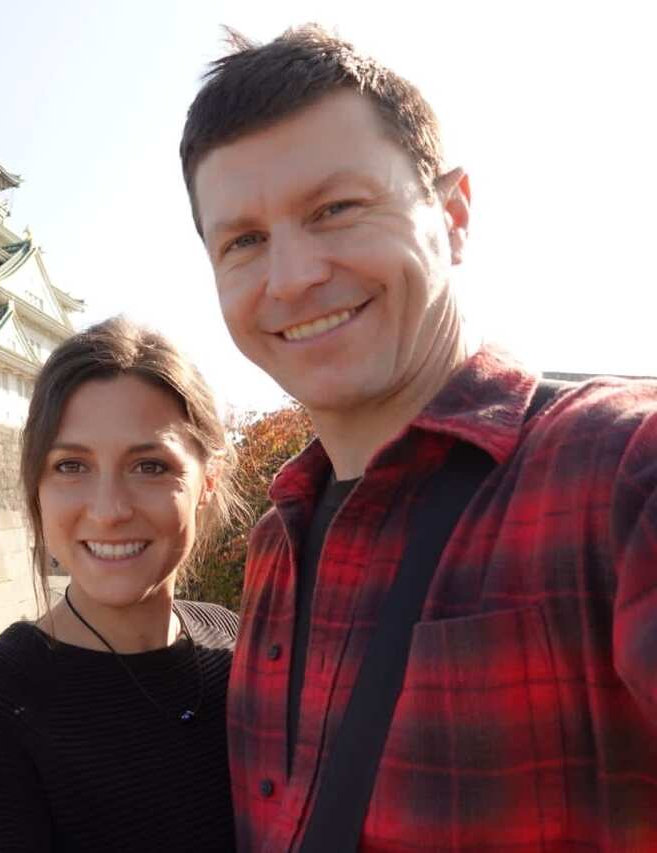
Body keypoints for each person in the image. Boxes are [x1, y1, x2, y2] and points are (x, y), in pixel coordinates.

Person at [180, 25, 657, 851]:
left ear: (455, 214)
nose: (292, 277)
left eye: (336, 209)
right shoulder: (274, 545)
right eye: (244, 241)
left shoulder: (618, 471)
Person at [0, 317, 245, 852]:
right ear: (37, 488)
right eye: (72, 465)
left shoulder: (242, 647)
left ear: (206, 483)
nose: (110, 510)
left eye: (150, 466)